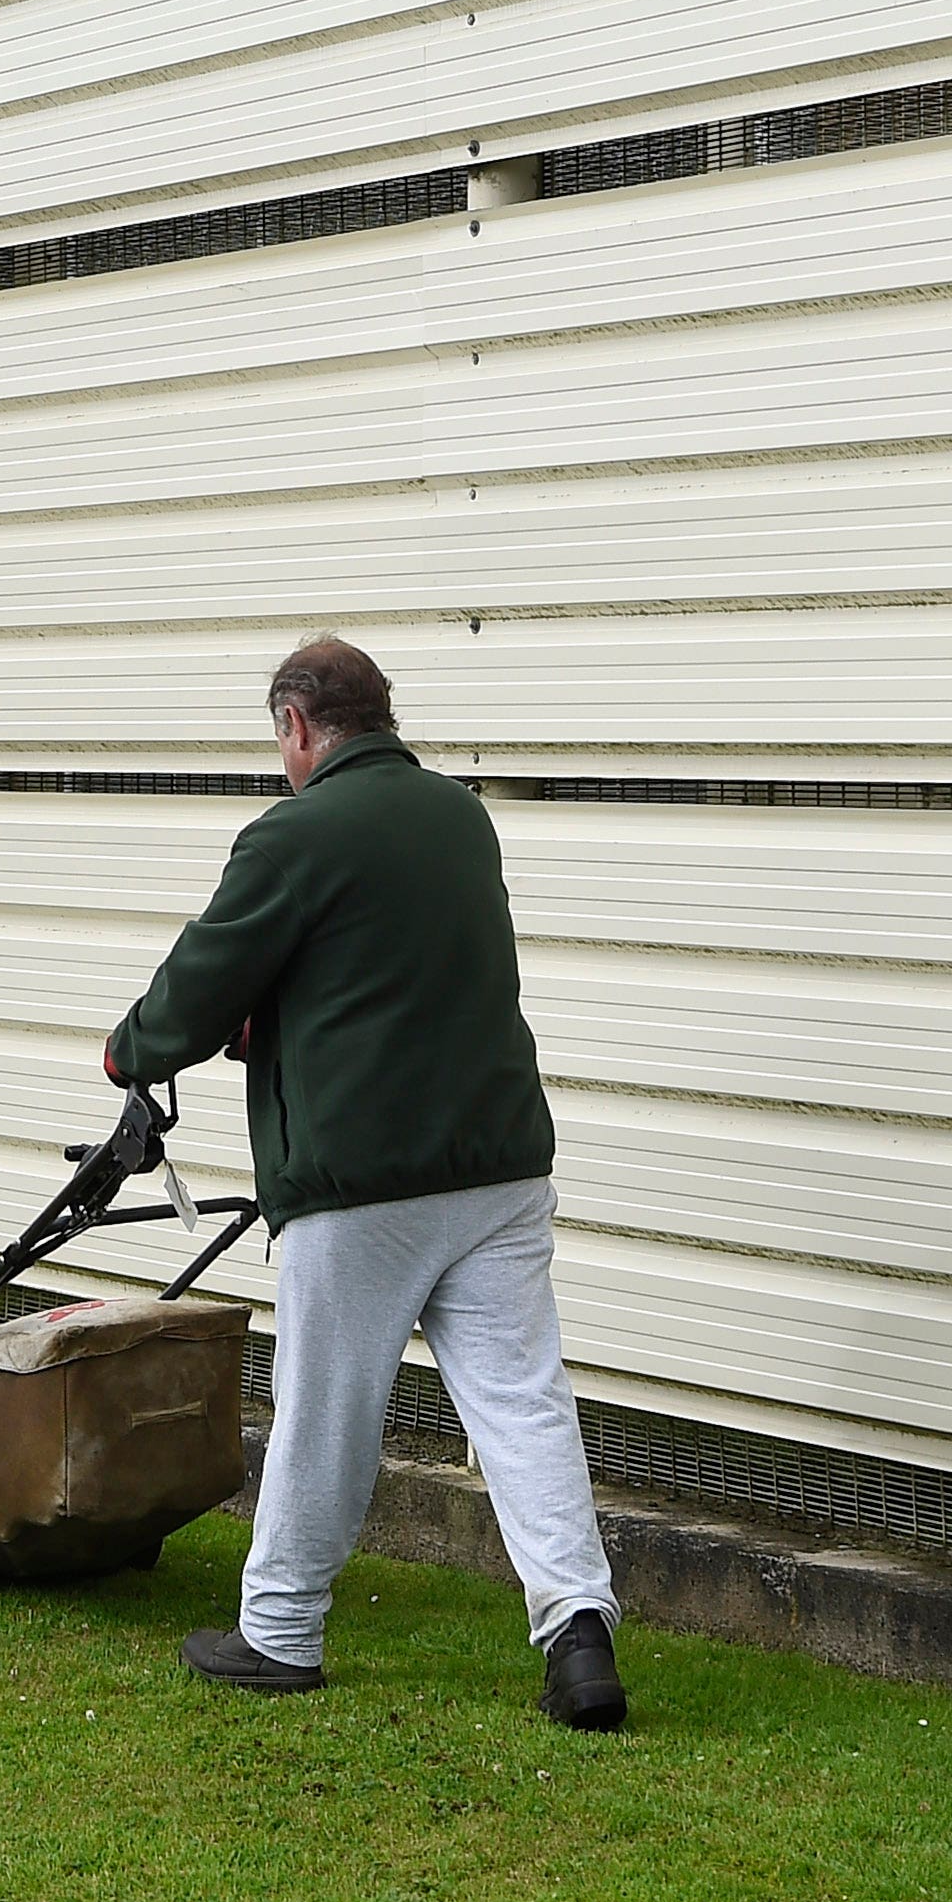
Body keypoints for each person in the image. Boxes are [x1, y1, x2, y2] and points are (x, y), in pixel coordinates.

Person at [102, 634, 627, 1729]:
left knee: (326, 1410)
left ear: (298, 727)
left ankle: (281, 1633)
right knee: (523, 1405)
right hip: (497, 1167)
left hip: (363, 1182)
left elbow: (201, 981)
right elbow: (390, 966)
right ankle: (579, 1636)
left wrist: (133, 1052)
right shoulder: (460, 817)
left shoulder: (293, 833)